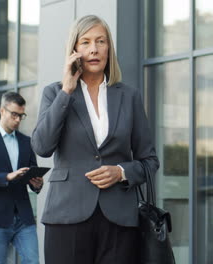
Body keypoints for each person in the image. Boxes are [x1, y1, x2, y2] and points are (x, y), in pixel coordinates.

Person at [31, 15, 159, 264]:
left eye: (101, 41)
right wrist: (67, 90)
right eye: (86, 42)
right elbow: (42, 146)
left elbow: (150, 160)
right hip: (66, 215)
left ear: (109, 48)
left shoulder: (129, 96)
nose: (94, 49)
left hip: (119, 218)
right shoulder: (55, 92)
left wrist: (121, 171)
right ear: (75, 50)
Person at [0, 92, 43, 264]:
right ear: (2, 111)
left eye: (21, 115)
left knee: (33, 261)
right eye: (14, 114)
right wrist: (7, 177)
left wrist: (37, 184)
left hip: (24, 217)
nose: (18, 120)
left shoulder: (26, 142)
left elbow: (32, 174)